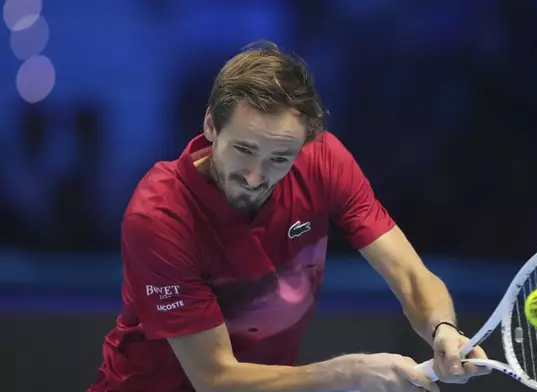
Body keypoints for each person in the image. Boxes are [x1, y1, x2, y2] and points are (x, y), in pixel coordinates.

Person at [87, 41, 490, 392]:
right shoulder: (160, 216)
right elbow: (215, 379)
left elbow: (410, 276)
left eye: (279, 158)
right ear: (211, 125)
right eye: (243, 149)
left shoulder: (324, 161)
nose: (255, 177)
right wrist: (352, 371)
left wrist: (443, 330)